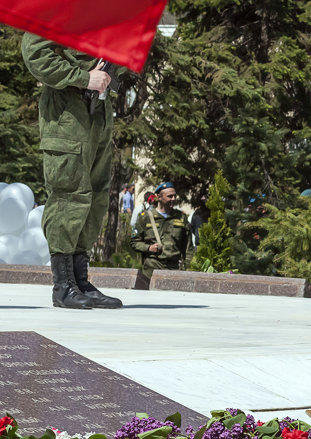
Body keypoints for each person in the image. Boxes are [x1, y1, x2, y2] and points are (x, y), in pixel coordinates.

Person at [22, 34, 123, 310]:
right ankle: (63, 286)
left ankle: (80, 281)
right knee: (69, 195)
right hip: (67, 116)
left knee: (96, 196)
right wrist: (84, 77)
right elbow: (35, 54)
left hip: (98, 113)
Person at [130, 181, 190, 275]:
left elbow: (188, 247)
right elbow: (134, 242)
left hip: (174, 269)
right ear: (159, 197)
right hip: (152, 269)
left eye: (174, 196)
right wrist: (148, 248)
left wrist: (188, 267)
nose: (173, 199)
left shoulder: (181, 217)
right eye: (170, 196)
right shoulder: (145, 217)